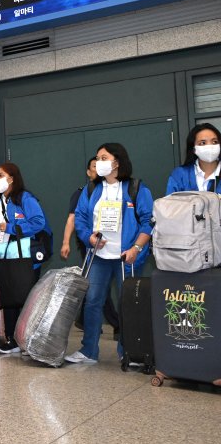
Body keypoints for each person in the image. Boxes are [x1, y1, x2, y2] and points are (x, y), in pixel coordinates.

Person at [69, 143, 153, 365]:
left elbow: (148, 221)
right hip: (98, 256)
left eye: (103, 157)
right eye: (97, 158)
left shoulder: (136, 188)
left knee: (128, 304)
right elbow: (80, 219)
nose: (98, 162)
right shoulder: (91, 190)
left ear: (117, 162)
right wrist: (89, 237)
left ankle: (129, 351)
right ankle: (88, 351)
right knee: (93, 301)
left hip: (127, 257)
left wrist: (136, 248)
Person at [0, 163, 53, 354]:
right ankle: (12, 339)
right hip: (0, 254)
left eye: (1, 175)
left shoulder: (25, 199)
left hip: (22, 255)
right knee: (9, 296)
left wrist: (11, 227)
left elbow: (39, 222)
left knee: (26, 295)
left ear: (12, 178)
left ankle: (30, 337)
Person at [62, 158, 120, 337]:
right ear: (88, 172)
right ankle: (115, 324)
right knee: (97, 289)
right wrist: (66, 242)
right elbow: (73, 219)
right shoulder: (82, 193)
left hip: (115, 247)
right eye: (94, 167)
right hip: (90, 246)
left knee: (94, 288)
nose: (98, 169)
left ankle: (83, 319)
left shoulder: (117, 189)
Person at [166, 122, 221, 194]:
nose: (209, 146)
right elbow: (170, 203)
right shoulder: (180, 175)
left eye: (214, 142)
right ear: (193, 149)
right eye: (203, 143)